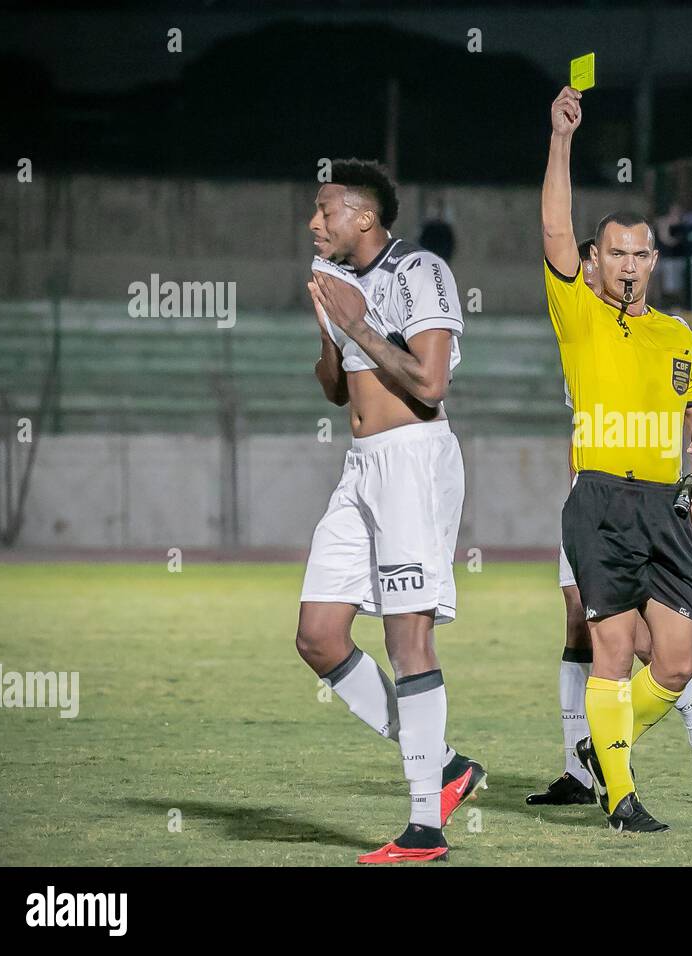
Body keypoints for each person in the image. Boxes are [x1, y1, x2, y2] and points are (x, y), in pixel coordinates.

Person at [541, 86, 692, 832]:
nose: (625, 263)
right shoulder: (579, 315)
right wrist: (560, 140)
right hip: (601, 502)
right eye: (613, 251)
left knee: (674, 663)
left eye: (637, 252)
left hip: (665, 508)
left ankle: (604, 748)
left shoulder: (677, 335)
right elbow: (554, 227)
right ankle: (620, 797)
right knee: (609, 652)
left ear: (654, 258)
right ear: (598, 258)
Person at [298, 159, 484, 864]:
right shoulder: (337, 283)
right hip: (361, 468)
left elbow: (431, 384)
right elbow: (336, 393)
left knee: (409, 644)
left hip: (413, 462)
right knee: (318, 635)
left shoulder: (420, 271)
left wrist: (361, 325)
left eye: (326, 210)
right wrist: (327, 329)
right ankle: (446, 768)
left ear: (366, 218)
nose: (315, 222)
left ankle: (424, 829)